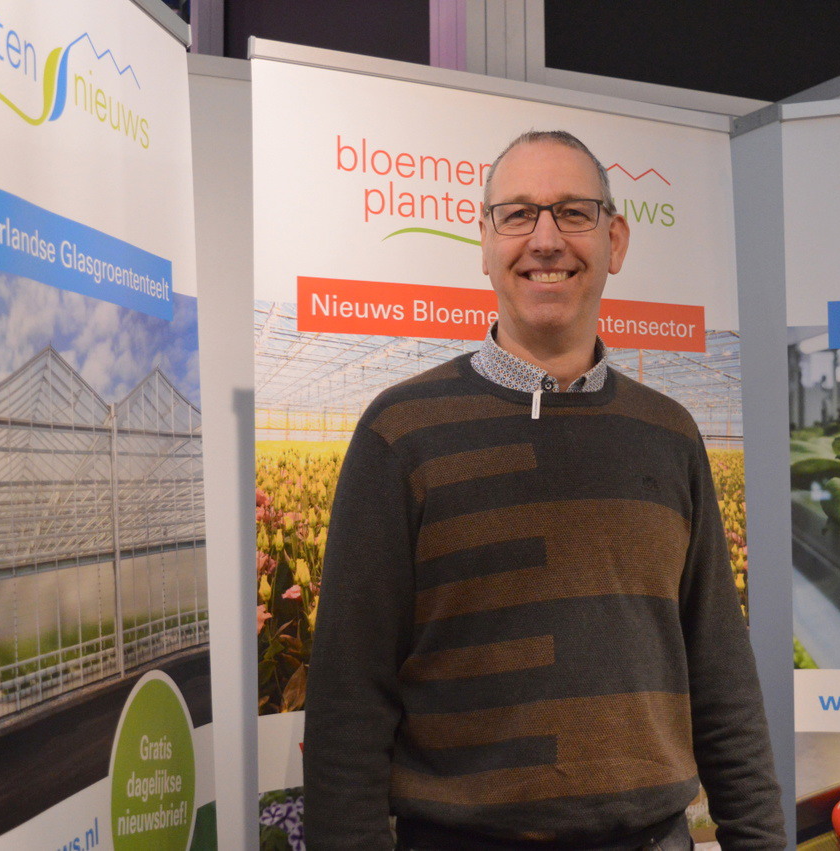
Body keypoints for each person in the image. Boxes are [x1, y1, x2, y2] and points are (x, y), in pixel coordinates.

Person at [304, 130, 785, 850]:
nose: (546, 239)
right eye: (519, 214)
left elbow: (722, 675)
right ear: (486, 242)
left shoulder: (669, 434)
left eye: (574, 213)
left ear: (615, 241)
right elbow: (348, 698)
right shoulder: (401, 434)